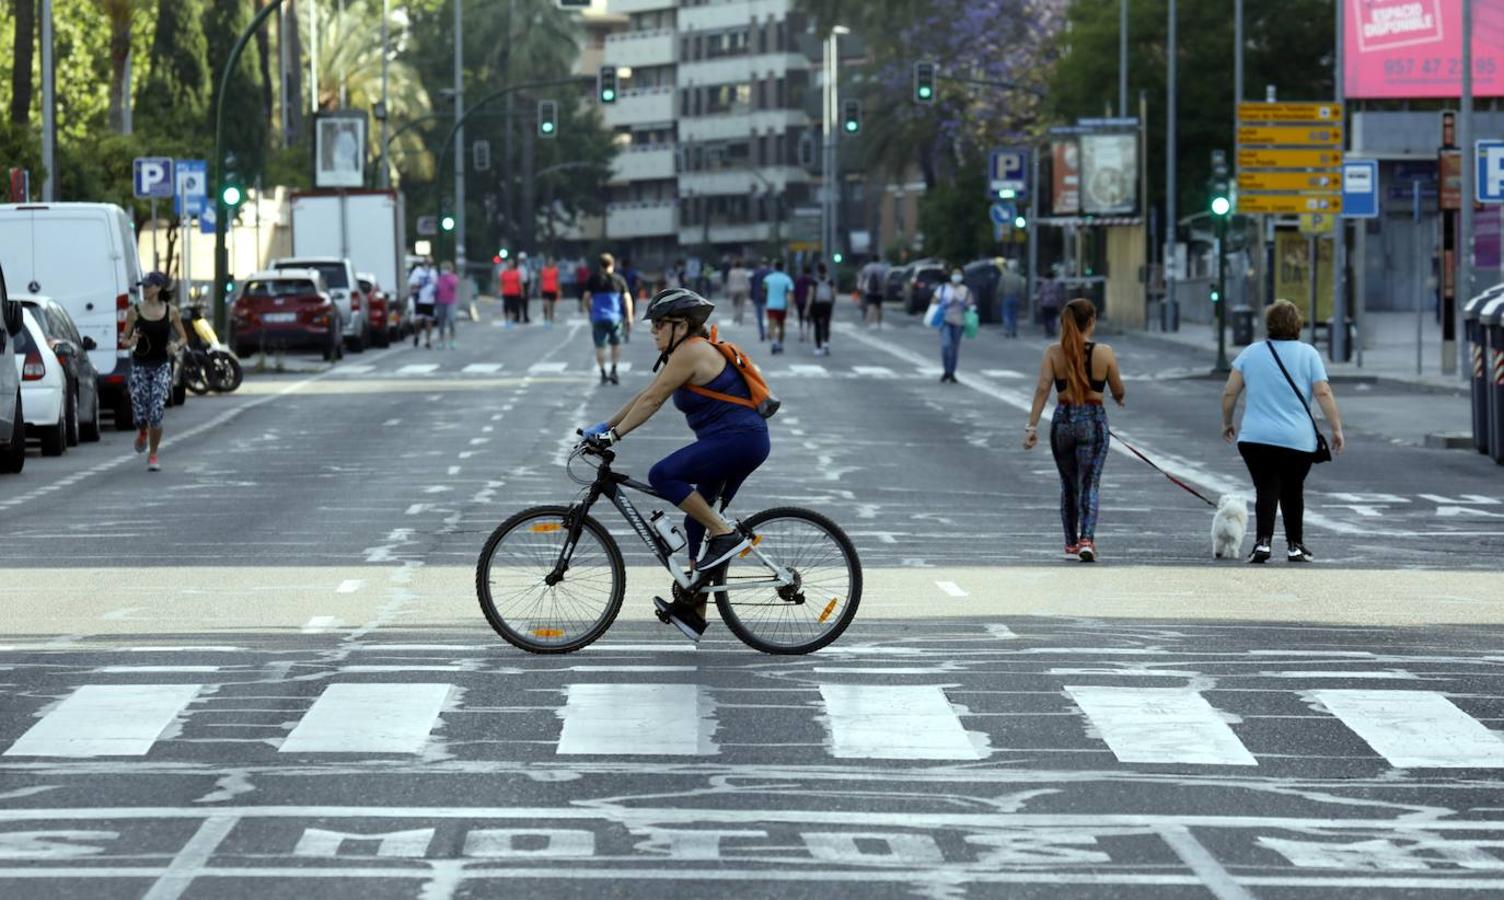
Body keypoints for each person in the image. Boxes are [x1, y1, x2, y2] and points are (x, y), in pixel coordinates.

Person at [581, 288, 770, 641]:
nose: (653, 332)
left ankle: (727, 534)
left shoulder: (691, 351)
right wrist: (605, 427)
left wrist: (614, 437)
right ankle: (694, 608)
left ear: (681, 326)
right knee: (696, 522)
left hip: (738, 440)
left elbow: (653, 400)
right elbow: (645, 394)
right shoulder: (683, 354)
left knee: (663, 475)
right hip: (739, 441)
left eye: (658, 326)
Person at [1220, 299, 1345, 564]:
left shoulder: (1250, 353)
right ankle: (1295, 545)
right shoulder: (1309, 354)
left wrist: (1227, 421)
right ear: (1297, 324)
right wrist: (1336, 428)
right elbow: (1322, 392)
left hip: (1255, 438)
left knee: (1265, 488)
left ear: (1269, 324)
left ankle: (1262, 543)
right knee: (1293, 490)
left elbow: (1230, 391)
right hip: (1297, 439)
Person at [1023, 298, 1126, 563]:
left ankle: (1070, 542)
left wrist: (1031, 426)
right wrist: (1117, 396)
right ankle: (1086, 540)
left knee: (1068, 484)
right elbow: (1117, 389)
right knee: (1090, 482)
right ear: (1091, 321)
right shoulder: (1104, 352)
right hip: (1092, 418)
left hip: (1063, 420)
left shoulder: (1053, 352)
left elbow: (1043, 388)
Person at [122, 272, 190, 472]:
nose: (145, 288)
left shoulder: (171, 311)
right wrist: (131, 341)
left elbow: (184, 337)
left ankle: (153, 454)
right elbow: (124, 339)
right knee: (141, 413)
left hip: (161, 366)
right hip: (140, 367)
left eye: (149, 285)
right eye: (144, 285)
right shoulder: (134, 311)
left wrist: (176, 346)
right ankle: (142, 431)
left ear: (159, 288)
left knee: (157, 411)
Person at [587, 252, 633, 385]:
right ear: (612, 264)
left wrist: (590, 311)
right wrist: (629, 317)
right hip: (615, 318)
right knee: (615, 345)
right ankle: (614, 370)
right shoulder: (619, 279)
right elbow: (627, 299)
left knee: (600, 347)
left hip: (598, 317)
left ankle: (602, 373)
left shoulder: (593, 279)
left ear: (600, 264)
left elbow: (586, 298)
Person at [933, 267, 976, 383]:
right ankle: (946, 370)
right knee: (946, 345)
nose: (956, 276)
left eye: (959, 274)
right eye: (954, 274)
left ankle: (951, 372)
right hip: (945, 320)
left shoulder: (965, 290)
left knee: (954, 348)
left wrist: (970, 308)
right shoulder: (943, 288)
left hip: (959, 321)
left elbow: (970, 304)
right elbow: (934, 301)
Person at [761, 260, 795, 354]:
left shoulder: (767, 278)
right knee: (781, 325)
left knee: (772, 325)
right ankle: (780, 343)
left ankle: (774, 342)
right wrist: (791, 306)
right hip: (782, 306)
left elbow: (763, 289)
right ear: (783, 268)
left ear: (774, 267)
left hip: (771, 305)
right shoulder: (787, 279)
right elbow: (790, 292)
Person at [408, 256, 437, 348]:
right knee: (418, 321)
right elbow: (411, 285)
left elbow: (436, 285)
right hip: (420, 300)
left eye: (430, 263)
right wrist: (419, 285)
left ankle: (428, 340)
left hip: (430, 300)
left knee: (429, 321)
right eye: (427, 263)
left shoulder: (433, 273)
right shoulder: (417, 271)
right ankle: (417, 335)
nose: (428, 265)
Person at [809, 263, 837, 356]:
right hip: (827, 305)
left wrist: (808, 306)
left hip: (817, 305)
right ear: (826, 270)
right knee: (826, 324)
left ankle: (818, 347)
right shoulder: (830, 280)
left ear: (818, 271)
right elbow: (834, 293)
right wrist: (832, 302)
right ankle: (826, 344)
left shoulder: (814, 281)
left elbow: (811, 294)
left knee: (817, 326)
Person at [434, 262, 459, 349]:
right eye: (443, 269)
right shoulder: (438, 278)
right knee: (441, 322)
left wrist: (447, 277)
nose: (445, 271)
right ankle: (441, 341)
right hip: (440, 302)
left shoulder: (453, 277)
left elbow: (453, 285)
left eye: (447, 269)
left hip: (451, 302)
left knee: (451, 320)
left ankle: (453, 340)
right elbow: (436, 289)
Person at [999, 259, 1026, 338]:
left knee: (1006, 313)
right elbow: (1022, 289)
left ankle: (1007, 329)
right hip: (1016, 297)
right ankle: (1014, 330)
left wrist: (999, 295)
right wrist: (1022, 298)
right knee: (1014, 315)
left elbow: (1000, 288)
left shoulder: (1004, 276)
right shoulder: (1018, 277)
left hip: (1006, 297)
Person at [859, 260, 886, 327]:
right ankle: (878, 321)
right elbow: (884, 280)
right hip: (879, 291)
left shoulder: (867, 267)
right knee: (879, 306)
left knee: (870, 306)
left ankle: (868, 321)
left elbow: (862, 278)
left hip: (869, 291)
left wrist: (861, 287)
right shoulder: (882, 268)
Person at [1037, 269, 1064, 337]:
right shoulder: (1056, 285)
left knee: (1046, 318)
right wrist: (1060, 303)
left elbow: (1040, 294)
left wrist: (1039, 303)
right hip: (1054, 304)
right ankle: (1052, 330)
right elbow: (1059, 295)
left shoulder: (1043, 284)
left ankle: (1048, 331)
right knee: (1053, 318)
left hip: (1045, 303)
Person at [750, 258, 771, 341]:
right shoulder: (770, 272)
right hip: (768, 296)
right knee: (770, 316)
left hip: (758, 296)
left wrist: (751, 296)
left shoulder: (756, 272)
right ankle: (769, 332)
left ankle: (762, 334)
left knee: (760, 317)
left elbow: (752, 285)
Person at [793, 265, 815, 343]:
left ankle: (801, 334)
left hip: (800, 301)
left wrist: (794, 302)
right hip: (809, 302)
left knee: (800, 318)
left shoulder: (799, 280)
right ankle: (808, 334)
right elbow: (813, 293)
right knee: (809, 318)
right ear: (810, 272)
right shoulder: (812, 280)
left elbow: (795, 292)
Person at [726, 258, 752, 325]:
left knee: (735, 305)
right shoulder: (744, 271)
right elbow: (746, 281)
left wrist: (729, 290)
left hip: (733, 290)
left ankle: (735, 318)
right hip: (742, 290)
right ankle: (740, 319)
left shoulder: (731, 272)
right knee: (741, 305)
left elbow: (729, 282)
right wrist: (749, 289)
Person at [499, 258, 524, 327]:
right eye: (509, 263)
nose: (510, 264)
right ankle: (507, 319)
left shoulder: (517, 273)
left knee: (514, 307)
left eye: (511, 263)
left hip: (515, 292)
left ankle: (512, 320)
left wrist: (521, 291)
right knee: (506, 306)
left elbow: (520, 283)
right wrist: (500, 290)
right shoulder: (504, 273)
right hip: (506, 292)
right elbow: (501, 283)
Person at [540, 257, 561, 328]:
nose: (550, 263)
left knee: (552, 305)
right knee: (546, 305)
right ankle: (546, 318)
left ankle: (551, 319)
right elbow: (541, 280)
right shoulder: (544, 270)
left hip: (553, 289)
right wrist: (540, 288)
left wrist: (559, 290)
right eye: (549, 261)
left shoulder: (556, 270)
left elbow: (557, 280)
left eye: (552, 261)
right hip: (545, 289)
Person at [517, 252, 533, 324]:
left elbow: (529, 278)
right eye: (521, 259)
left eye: (523, 259)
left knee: (525, 302)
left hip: (525, 284)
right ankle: (517, 317)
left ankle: (525, 316)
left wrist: (529, 288)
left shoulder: (527, 267)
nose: (522, 260)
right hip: (517, 285)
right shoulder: (516, 267)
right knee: (517, 302)